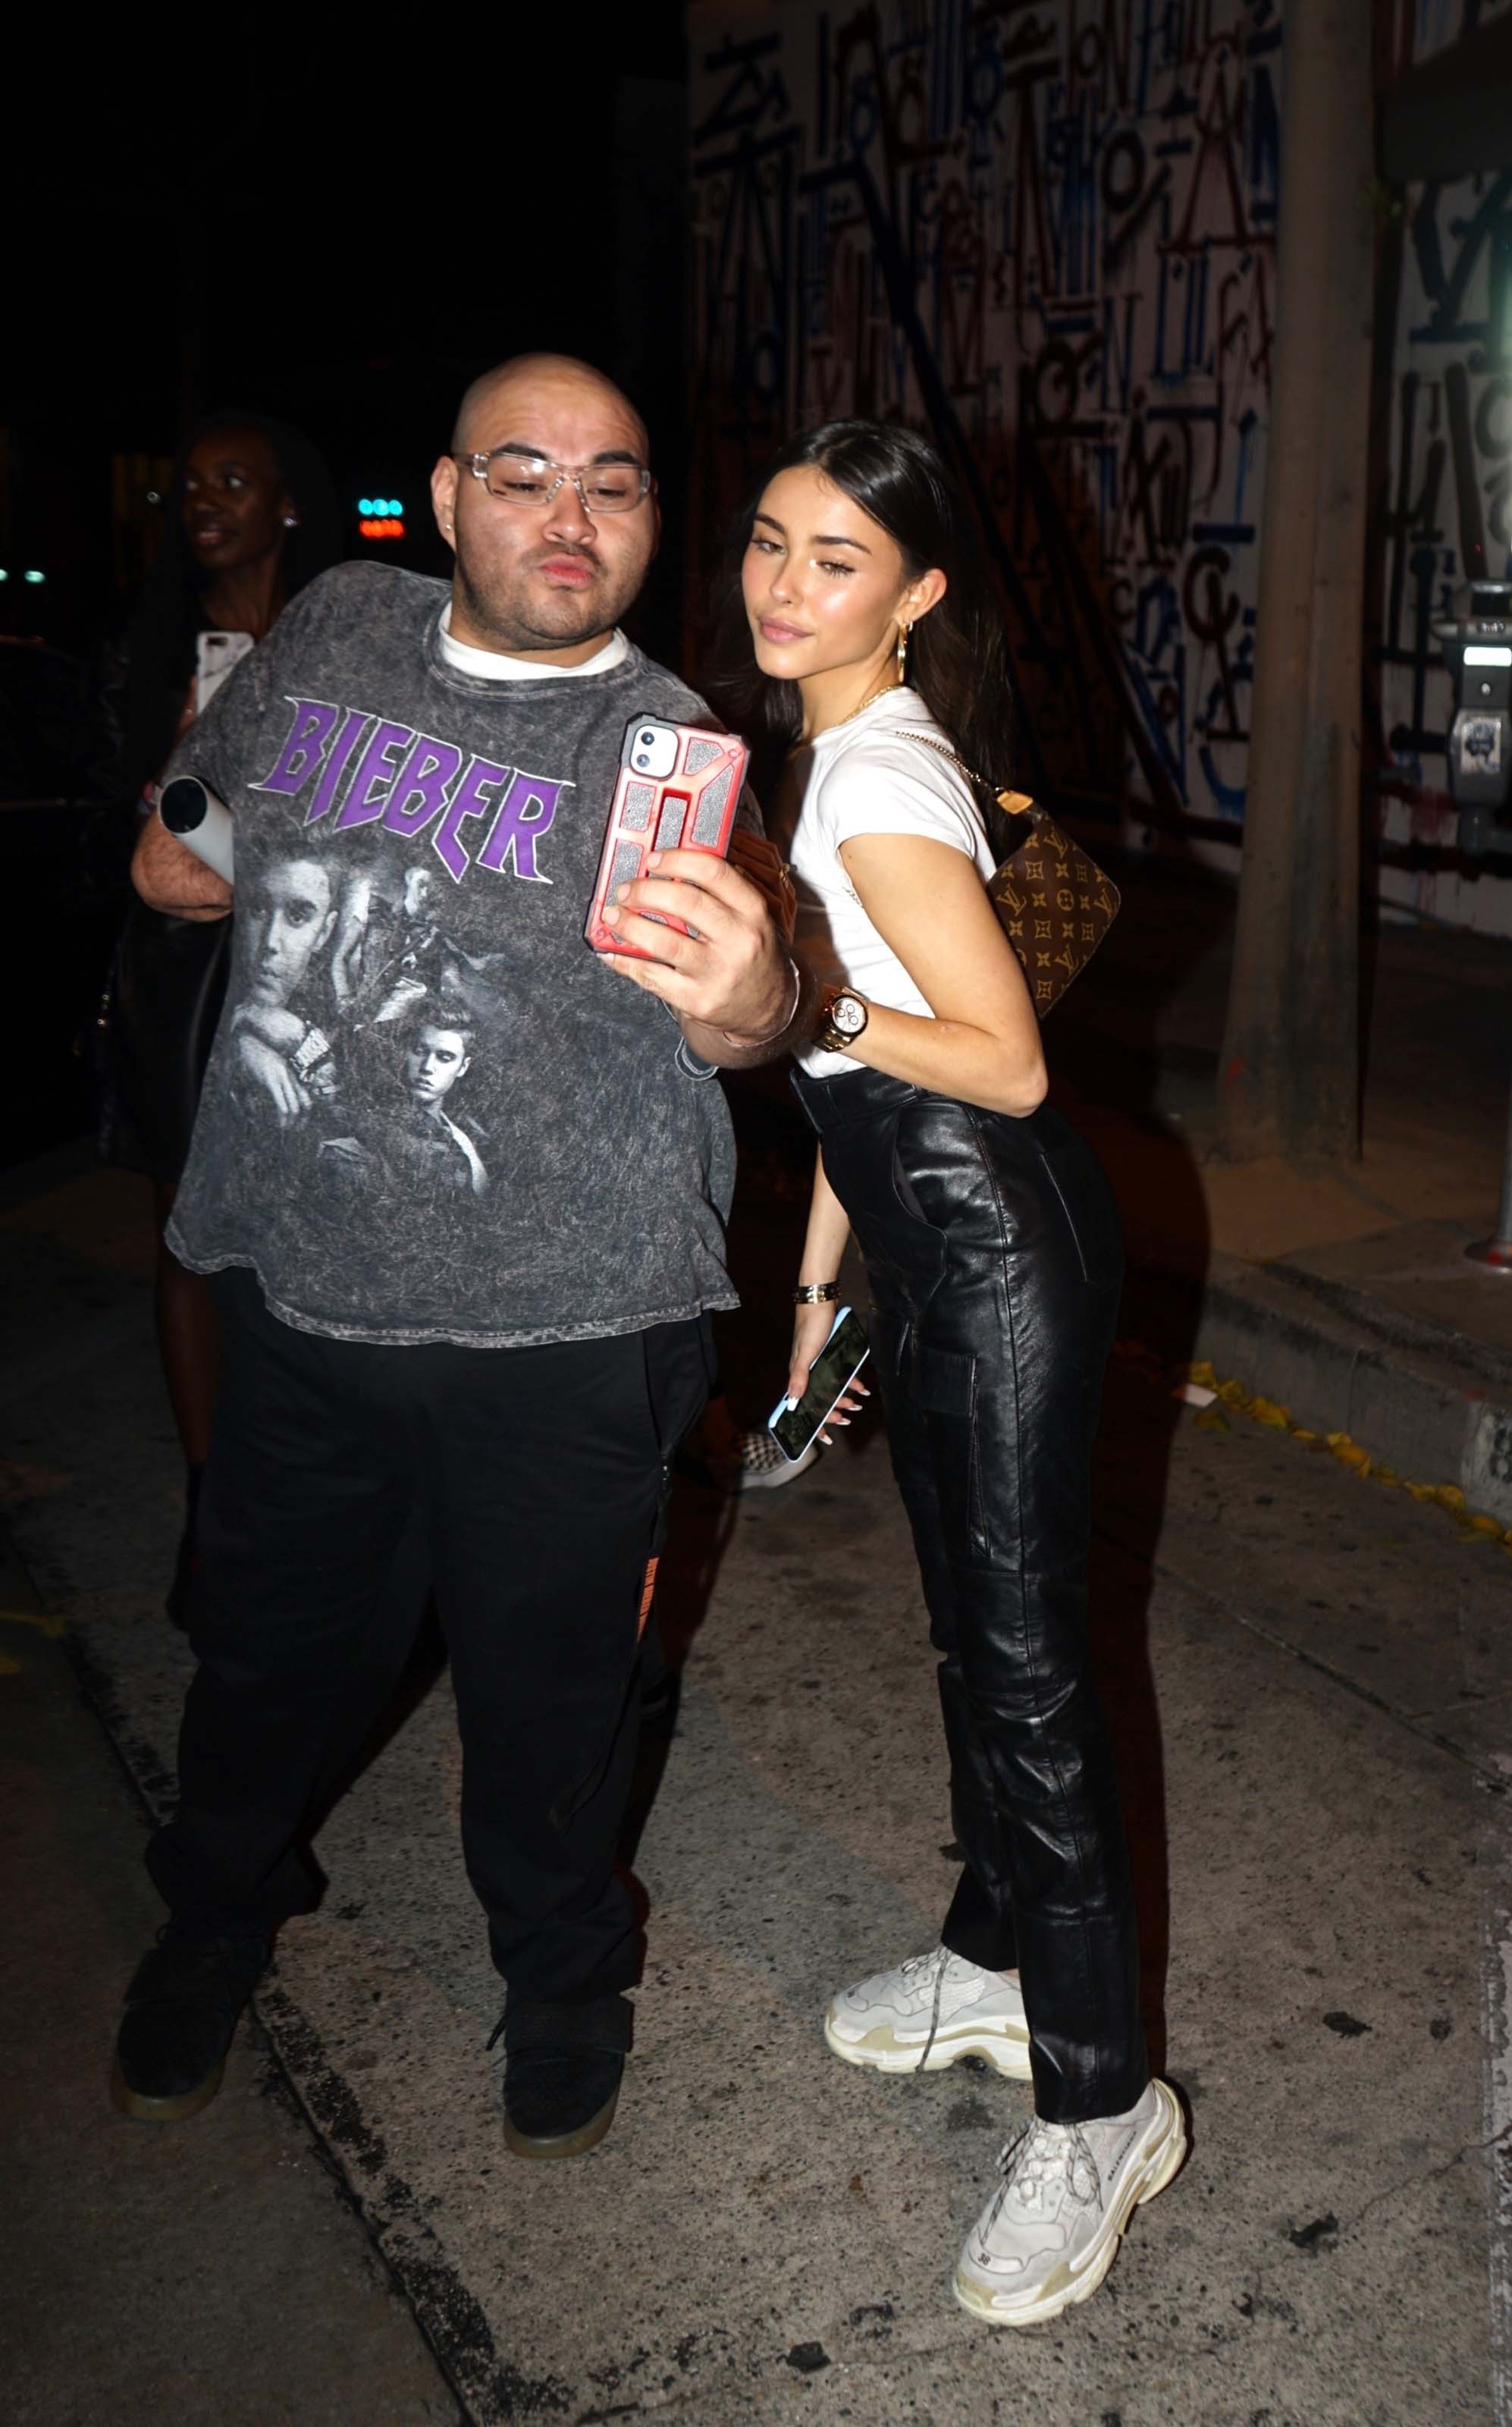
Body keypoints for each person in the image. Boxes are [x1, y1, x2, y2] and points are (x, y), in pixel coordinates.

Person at [114, 353, 809, 2161]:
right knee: (260, 1661)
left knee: (550, 1698)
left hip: (568, 1328)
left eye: (613, 483)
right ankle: (215, 1916)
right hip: (304, 1293)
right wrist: (189, 833)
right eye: (524, 474)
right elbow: (197, 822)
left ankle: (563, 1975)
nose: (570, 516)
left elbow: (739, 1017)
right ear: (444, 497)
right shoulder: (338, 624)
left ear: (650, 519)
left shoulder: (663, 748)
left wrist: (755, 998)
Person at [704, 418, 1186, 2327]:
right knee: (972, 1637)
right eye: (768, 540)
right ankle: (992, 1956)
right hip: (925, 1250)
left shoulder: (879, 776)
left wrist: (810, 992)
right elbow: (854, 1082)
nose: (781, 583)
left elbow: (995, 1058)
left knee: (1027, 1666)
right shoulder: (827, 752)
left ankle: (1101, 2099)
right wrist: (820, 1294)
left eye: (834, 559)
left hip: (996, 1254)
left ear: (910, 595)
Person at [96, 414, 343, 1614]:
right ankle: (212, 1509)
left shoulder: (343, 636)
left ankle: (316, 1491)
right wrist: (179, 761)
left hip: (310, 962)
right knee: (189, 1239)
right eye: (192, 486)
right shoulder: (154, 648)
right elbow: (133, 821)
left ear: (286, 503)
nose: (205, 502)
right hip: (189, 969)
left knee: (317, 1230)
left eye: (234, 482)